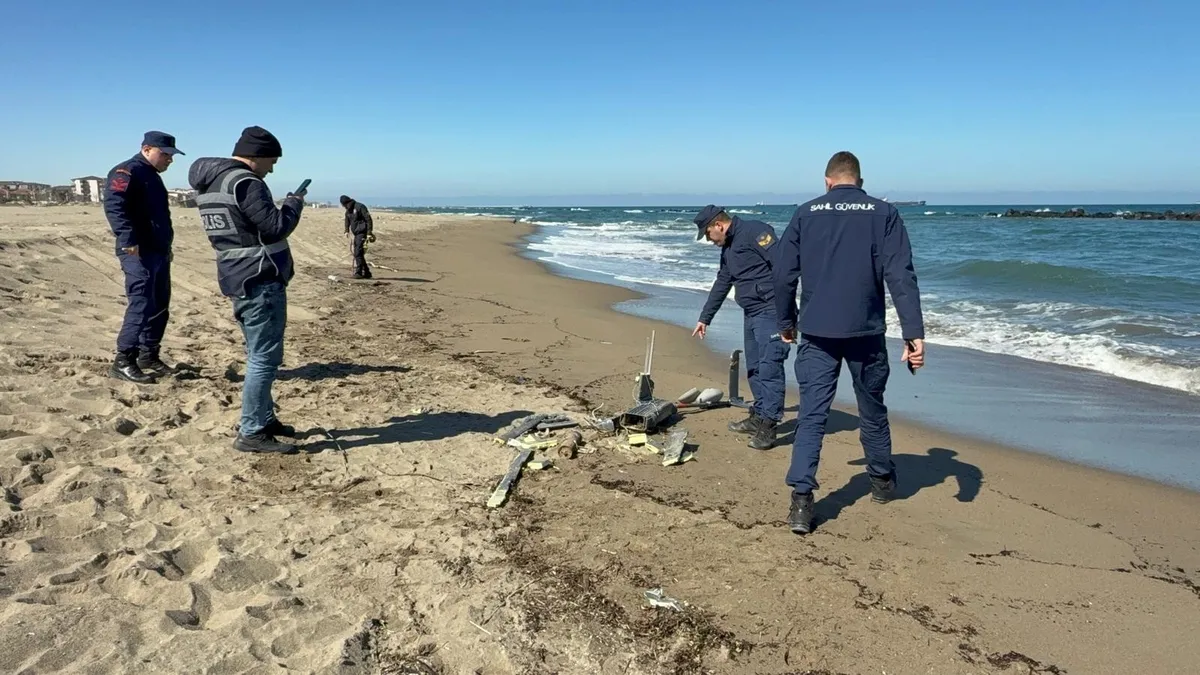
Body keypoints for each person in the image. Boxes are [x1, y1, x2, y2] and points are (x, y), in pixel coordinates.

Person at [773, 151, 926, 534]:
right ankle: (880, 482)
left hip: (817, 332)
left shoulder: (806, 213)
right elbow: (901, 276)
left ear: (827, 181)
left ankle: (802, 502)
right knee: (872, 408)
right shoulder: (884, 213)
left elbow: (782, 274)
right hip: (866, 332)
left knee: (812, 414)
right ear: (859, 179)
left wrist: (786, 322)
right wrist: (913, 333)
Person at [188, 126, 307, 455]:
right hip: (258, 277)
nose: (273, 168)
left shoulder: (211, 183)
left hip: (236, 275)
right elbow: (276, 227)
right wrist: (294, 204)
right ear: (256, 156)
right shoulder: (247, 183)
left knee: (260, 353)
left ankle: (264, 419)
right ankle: (252, 430)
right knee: (264, 358)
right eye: (272, 161)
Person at [692, 205, 791, 450]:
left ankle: (769, 425)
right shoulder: (727, 248)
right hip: (751, 313)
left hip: (771, 311)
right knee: (755, 368)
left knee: (770, 369)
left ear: (718, 225)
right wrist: (705, 317)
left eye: (707, 234)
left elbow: (784, 268)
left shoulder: (756, 232)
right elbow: (723, 281)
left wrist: (788, 316)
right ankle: (759, 415)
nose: (709, 240)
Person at [103, 131, 184, 383]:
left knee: (160, 304)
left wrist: (166, 246)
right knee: (141, 303)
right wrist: (127, 240)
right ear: (147, 149)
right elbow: (115, 204)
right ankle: (124, 360)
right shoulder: (127, 171)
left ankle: (149, 355)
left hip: (158, 250)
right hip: (137, 251)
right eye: (166, 154)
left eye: (172, 155)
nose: (169, 159)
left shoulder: (152, 176)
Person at [340, 195, 375, 278]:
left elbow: (368, 219)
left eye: (344, 205)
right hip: (356, 234)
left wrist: (369, 232)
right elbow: (347, 220)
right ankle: (367, 272)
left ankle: (359, 272)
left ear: (347, 202)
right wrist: (346, 230)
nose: (344, 207)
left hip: (362, 232)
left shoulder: (360, 207)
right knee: (359, 253)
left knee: (358, 253)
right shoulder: (348, 210)